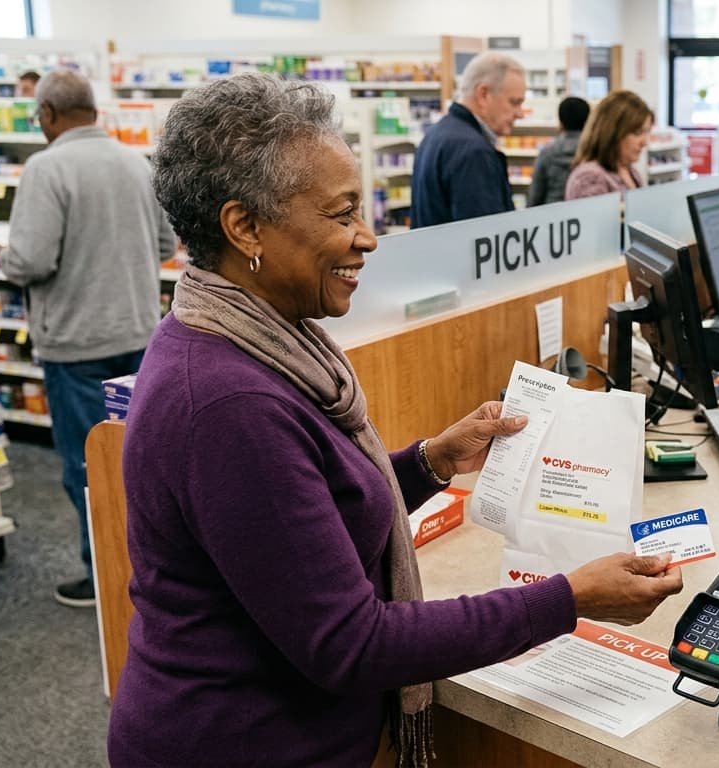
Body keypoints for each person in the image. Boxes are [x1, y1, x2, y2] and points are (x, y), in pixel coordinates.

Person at [108, 72, 681, 768]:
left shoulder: (262, 340)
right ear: (244, 226)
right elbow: (353, 644)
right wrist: (569, 598)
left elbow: (306, 520)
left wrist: (431, 461)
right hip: (237, 743)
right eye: (342, 214)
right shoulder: (230, 403)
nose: (367, 239)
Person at [0, 69, 175, 608]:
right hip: (141, 336)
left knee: (85, 466)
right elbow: (168, 241)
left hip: (76, 346)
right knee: (141, 460)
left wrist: (1, 257)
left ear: (49, 115)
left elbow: (30, 259)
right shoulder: (134, 162)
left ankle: (102, 578)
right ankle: (152, 569)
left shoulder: (46, 169)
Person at [410, 52, 526, 228]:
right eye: (514, 102)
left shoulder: (437, 133)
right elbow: (486, 239)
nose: (520, 114)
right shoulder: (474, 152)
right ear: (483, 95)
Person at [564, 90, 653, 199]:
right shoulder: (589, 178)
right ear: (612, 132)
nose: (644, 142)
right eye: (637, 133)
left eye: (647, 131)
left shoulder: (631, 172)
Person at [527, 96, 590, 207]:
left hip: (552, 218)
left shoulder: (547, 153)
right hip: (585, 215)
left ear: (561, 122)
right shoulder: (595, 152)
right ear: (588, 121)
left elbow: (535, 197)